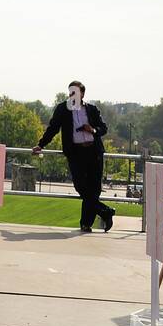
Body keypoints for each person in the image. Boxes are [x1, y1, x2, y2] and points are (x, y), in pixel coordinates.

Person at [33, 81, 114, 233]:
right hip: (75, 153)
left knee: (93, 189)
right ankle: (105, 211)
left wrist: (93, 130)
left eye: (75, 92)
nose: (72, 95)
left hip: (94, 152)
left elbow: (104, 128)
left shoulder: (92, 109)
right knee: (80, 186)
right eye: (70, 92)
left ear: (82, 94)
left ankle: (86, 224)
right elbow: (53, 128)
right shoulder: (63, 109)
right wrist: (41, 145)